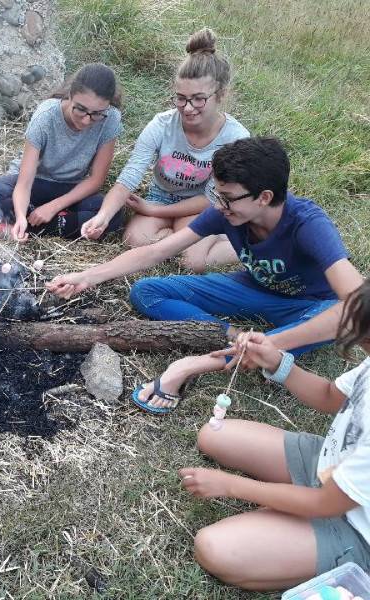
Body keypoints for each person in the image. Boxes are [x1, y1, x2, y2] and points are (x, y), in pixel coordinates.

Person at [47, 137, 363, 414]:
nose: (218, 204)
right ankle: (231, 336)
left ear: (264, 197)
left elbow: (358, 306)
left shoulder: (308, 225)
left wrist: (270, 344)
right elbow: (157, 252)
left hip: (309, 306)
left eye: (226, 197)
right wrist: (89, 276)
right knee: (146, 292)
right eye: (216, 194)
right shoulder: (226, 210)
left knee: (323, 323)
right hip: (253, 288)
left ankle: (199, 363)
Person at [180, 280, 370, 591]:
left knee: (215, 547)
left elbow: (324, 503)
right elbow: (328, 396)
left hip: (355, 526)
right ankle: (283, 526)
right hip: (329, 465)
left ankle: (335, 554)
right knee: (214, 435)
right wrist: (277, 361)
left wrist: (230, 485)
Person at [82, 28, 249, 271]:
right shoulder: (161, 125)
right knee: (133, 240)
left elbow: (213, 199)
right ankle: (186, 240)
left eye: (198, 99)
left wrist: (154, 210)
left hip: (200, 205)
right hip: (161, 195)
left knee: (190, 262)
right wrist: (103, 216)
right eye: (180, 98)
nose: (188, 108)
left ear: (220, 95)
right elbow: (129, 177)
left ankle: (238, 244)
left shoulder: (235, 139)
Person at [0, 63, 125, 241]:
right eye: (81, 109)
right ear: (70, 95)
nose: (86, 120)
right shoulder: (46, 115)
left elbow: (96, 180)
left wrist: (53, 207)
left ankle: (20, 229)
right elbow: (24, 183)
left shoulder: (111, 118)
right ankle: (54, 222)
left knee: (114, 216)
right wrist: (22, 215)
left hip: (71, 187)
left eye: (97, 114)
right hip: (37, 183)